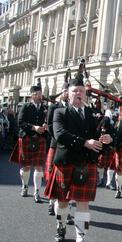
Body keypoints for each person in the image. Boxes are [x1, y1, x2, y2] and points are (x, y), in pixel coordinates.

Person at [44, 75, 113, 242]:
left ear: (85, 94)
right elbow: (60, 134)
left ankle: (81, 239)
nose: (78, 94)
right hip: (66, 162)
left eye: (81, 91)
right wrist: (84, 142)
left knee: (83, 203)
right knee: (63, 201)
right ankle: (61, 226)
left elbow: (99, 135)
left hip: (85, 164)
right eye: (75, 91)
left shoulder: (92, 114)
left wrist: (107, 138)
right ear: (68, 93)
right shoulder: (60, 112)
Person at [9, 84, 48, 203]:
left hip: (40, 139)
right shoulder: (25, 106)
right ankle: (25, 186)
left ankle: (37, 192)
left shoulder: (45, 108)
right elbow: (20, 122)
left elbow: (50, 123)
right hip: (27, 138)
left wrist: (46, 127)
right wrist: (33, 128)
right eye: (38, 94)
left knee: (39, 166)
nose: (41, 96)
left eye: (41, 94)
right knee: (26, 166)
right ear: (33, 95)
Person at [44, 82, 69, 216]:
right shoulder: (54, 106)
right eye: (65, 90)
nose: (66, 93)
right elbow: (49, 125)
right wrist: (60, 138)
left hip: (69, 148)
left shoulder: (73, 107)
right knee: (52, 174)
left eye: (68, 90)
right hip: (56, 143)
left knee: (66, 180)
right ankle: (51, 202)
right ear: (62, 91)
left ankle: (66, 208)